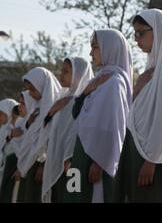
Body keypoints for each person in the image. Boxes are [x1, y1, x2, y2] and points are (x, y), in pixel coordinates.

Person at [114, 8, 162, 202]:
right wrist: (137, 87)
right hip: (137, 148)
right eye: (135, 33)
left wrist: (151, 161)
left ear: (159, 30)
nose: (137, 39)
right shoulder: (152, 68)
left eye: (141, 32)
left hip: (151, 158)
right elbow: (134, 110)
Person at [64, 29, 132, 203]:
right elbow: (76, 114)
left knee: (94, 197)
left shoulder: (115, 83)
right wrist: (86, 91)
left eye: (95, 47)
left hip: (96, 159)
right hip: (81, 152)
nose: (90, 53)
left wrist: (102, 162)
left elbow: (115, 127)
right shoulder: (99, 79)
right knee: (74, 194)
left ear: (110, 48)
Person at [41, 57, 93, 202]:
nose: (60, 75)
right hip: (57, 163)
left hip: (72, 164)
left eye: (66, 71)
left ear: (78, 75)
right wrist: (51, 112)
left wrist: (69, 158)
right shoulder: (63, 98)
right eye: (61, 70)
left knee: (72, 197)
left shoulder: (84, 101)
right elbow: (48, 130)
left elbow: (76, 131)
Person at [16, 67, 62, 202]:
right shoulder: (37, 108)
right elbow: (31, 138)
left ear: (42, 86)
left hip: (43, 168)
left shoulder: (55, 107)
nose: (30, 94)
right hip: (31, 164)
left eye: (32, 90)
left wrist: (43, 165)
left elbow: (52, 139)